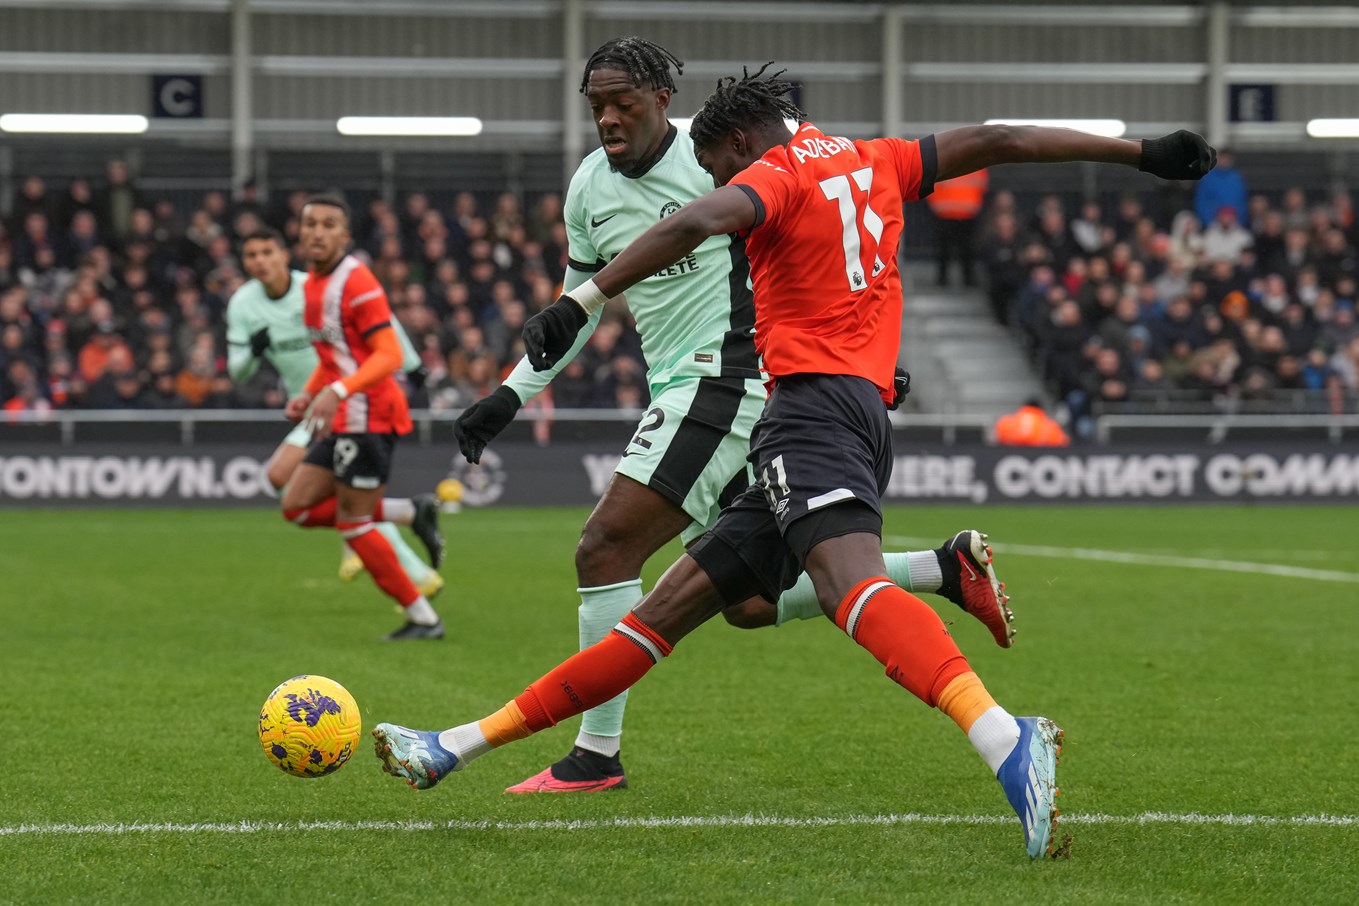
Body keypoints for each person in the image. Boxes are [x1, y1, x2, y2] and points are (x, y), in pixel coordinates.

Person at [375, 69, 1211, 856]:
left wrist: (582, 299)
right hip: (850, 408)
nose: (712, 183)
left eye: (713, 166)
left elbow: (693, 223)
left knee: (849, 587)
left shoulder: (775, 175)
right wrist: (1141, 155)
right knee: (670, 613)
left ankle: (1003, 736)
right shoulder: (878, 158)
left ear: (739, 143)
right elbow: (1002, 139)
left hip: (808, 416)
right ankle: (452, 746)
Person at [450, 37, 1014, 795]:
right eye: (596, 107)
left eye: (622, 104)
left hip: (728, 379)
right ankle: (937, 569)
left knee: (605, 547)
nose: (608, 119)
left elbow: (813, 234)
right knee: (748, 602)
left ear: (661, 100)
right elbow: (574, 310)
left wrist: (845, 349)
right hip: (704, 389)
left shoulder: (719, 156)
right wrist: (509, 395)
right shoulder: (587, 189)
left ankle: (594, 755)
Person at [226, 227, 444, 602]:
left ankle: (413, 572)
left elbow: (383, 323)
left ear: (283, 255)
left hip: (347, 398)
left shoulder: (312, 287)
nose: (259, 261)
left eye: (267, 252)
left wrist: (411, 364)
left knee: (301, 486)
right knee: (297, 486)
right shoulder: (243, 304)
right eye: (251, 255)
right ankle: (407, 518)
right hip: (312, 403)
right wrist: (253, 353)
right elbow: (237, 372)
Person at [277, 197, 448, 641]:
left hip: (371, 417)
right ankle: (410, 511)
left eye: (328, 224)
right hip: (344, 418)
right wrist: (309, 394)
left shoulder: (356, 280)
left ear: (344, 236)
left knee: (353, 523)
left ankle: (423, 618)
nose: (317, 232)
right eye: (310, 223)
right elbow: (335, 357)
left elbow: (389, 354)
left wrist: (335, 392)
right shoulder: (313, 285)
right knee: (296, 507)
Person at [927, 167, 989, 286]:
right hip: (958, 211)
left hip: (951, 211)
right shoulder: (976, 161)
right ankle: (963, 279)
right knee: (959, 249)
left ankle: (945, 279)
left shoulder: (943, 160)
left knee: (951, 250)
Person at [994, 399, 1071, 446]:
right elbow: (1063, 442)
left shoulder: (1006, 422)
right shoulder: (1050, 425)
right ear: (1041, 409)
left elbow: (996, 439)